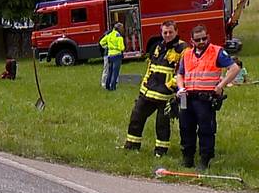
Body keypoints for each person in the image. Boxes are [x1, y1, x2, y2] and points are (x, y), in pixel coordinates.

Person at [176, 24, 241, 171]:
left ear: (208, 37)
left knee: (206, 130)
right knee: (186, 128)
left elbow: (235, 68)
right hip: (188, 97)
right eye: (198, 39)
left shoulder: (216, 51)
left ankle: (205, 160)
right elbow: (180, 74)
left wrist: (221, 86)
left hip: (205, 99)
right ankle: (187, 158)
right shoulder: (187, 54)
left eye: (204, 38)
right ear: (192, 40)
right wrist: (180, 88)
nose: (201, 42)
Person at [123, 20, 187, 156]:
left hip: (166, 95)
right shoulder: (158, 46)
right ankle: (131, 146)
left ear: (176, 31)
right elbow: (150, 68)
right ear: (161, 32)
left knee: (162, 124)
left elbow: (183, 73)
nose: (168, 35)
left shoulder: (183, 49)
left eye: (170, 32)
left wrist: (169, 88)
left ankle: (161, 152)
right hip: (148, 91)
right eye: (165, 32)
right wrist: (144, 85)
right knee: (136, 117)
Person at [99, 22, 126, 91]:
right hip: (117, 55)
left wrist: (107, 46)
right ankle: (113, 87)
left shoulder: (109, 35)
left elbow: (101, 42)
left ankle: (107, 85)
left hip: (110, 55)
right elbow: (121, 47)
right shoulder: (119, 36)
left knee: (110, 72)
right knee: (115, 72)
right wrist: (120, 48)